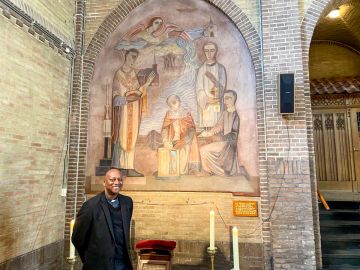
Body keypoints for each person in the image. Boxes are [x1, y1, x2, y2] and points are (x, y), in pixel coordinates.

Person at [72, 168, 133, 270]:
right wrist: (89, 259)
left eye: (120, 179)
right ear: (104, 182)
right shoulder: (90, 206)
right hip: (99, 265)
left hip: (122, 264)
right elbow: (77, 238)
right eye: (112, 180)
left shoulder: (127, 202)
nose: (117, 182)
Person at [111, 48, 155, 177]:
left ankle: (129, 167)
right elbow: (115, 96)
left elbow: (138, 92)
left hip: (133, 111)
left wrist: (146, 84)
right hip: (123, 112)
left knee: (132, 137)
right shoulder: (118, 74)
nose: (133, 60)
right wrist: (125, 99)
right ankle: (119, 167)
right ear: (126, 56)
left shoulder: (133, 74)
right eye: (132, 56)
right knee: (121, 137)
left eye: (135, 58)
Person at [198, 90, 240, 176]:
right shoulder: (225, 113)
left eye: (227, 99)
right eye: (224, 99)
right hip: (222, 142)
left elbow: (234, 135)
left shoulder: (236, 116)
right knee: (203, 148)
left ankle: (208, 171)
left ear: (233, 99)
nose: (224, 101)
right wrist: (209, 133)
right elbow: (219, 126)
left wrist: (220, 138)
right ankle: (208, 171)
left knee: (203, 149)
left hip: (229, 145)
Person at [161, 95, 200, 174]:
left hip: (185, 140)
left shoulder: (186, 113)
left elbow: (191, 129)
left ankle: (181, 172)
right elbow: (164, 128)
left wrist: (184, 141)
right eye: (171, 105)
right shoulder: (169, 114)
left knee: (183, 153)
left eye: (175, 103)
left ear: (179, 102)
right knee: (170, 153)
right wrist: (165, 141)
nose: (174, 107)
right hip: (172, 140)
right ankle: (173, 171)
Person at [196, 42, 227, 129]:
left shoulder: (221, 69)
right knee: (207, 127)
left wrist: (215, 97)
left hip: (216, 102)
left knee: (217, 127)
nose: (209, 54)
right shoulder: (201, 70)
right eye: (207, 51)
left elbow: (223, 86)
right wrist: (206, 99)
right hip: (206, 103)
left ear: (216, 51)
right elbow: (199, 88)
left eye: (212, 50)